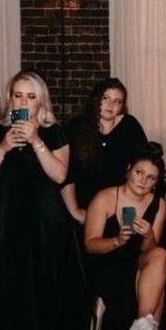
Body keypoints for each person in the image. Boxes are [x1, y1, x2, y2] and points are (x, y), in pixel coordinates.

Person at [0, 71, 77, 330]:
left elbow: (60, 174)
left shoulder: (54, 132)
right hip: (6, 223)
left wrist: (35, 141)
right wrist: (3, 148)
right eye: (18, 95)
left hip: (44, 225)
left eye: (30, 96)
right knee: (8, 293)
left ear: (41, 101)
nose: (23, 102)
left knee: (41, 293)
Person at [83, 152, 166, 330]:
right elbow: (89, 245)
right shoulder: (106, 198)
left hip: (138, 262)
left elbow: (150, 249)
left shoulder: (158, 204)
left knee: (161, 255)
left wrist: (147, 235)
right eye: (139, 172)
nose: (143, 181)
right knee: (156, 284)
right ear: (129, 170)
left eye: (151, 178)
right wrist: (117, 240)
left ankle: (144, 322)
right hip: (108, 265)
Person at [63, 78, 150, 226]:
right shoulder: (76, 128)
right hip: (83, 207)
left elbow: (145, 166)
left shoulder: (129, 126)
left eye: (117, 101)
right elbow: (66, 174)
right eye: (106, 98)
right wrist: (75, 211)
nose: (111, 105)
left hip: (121, 207)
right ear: (96, 99)